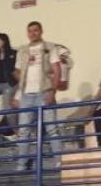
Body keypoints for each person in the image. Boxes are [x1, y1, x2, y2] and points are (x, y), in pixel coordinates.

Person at [14, 21, 65, 170]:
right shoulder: (22, 51)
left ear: (41, 31)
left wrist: (52, 91)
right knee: (23, 131)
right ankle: (21, 164)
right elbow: (17, 71)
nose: (33, 33)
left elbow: (57, 70)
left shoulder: (50, 47)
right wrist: (20, 89)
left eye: (35, 30)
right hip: (26, 95)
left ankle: (59, 161)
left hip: (44, 92)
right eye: (30, 31)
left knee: (52, 129)